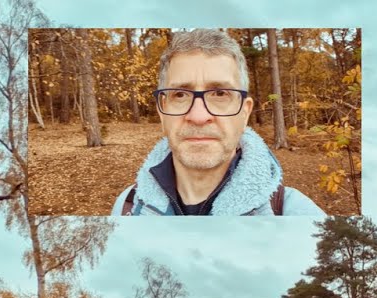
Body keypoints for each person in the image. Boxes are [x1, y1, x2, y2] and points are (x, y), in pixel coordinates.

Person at [111, 29, 325, 216]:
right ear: (162, 110)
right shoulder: (127, 208)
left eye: (220, 93)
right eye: (180, 95)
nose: (198, 116)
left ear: (244, 112)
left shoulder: (295, 214)